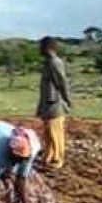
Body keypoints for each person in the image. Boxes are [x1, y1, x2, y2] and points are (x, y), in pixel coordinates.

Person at [36, 36, 71, 170]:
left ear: (47, 47)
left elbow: (62, 83)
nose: (39, 49)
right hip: (47, 104)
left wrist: (67, 100)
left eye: (41, 46)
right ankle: (48, 158)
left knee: (55, 133)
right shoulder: (48, 62)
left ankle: (57, 160)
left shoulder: (55, 63)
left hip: (54, 104)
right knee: (48, 133)